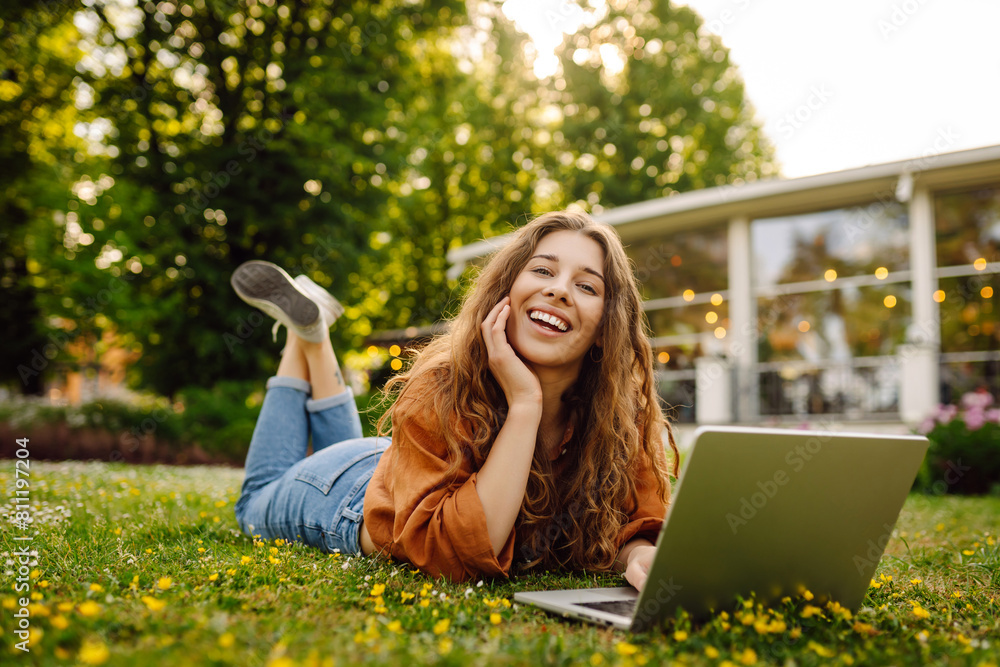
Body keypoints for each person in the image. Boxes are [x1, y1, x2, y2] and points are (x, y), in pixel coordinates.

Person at [232, 210, 679, 590]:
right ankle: (307, 337)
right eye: (543, 271)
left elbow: (630, 525)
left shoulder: (620, 417)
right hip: (346, 497)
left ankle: (311, 332)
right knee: (253, 502)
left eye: (587, 286)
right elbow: (457, 555)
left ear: (605, 328)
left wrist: (640, 554)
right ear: (506, 292)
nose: (559, 289)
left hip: (402, 467)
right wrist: (525, 404)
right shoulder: (442, 384)